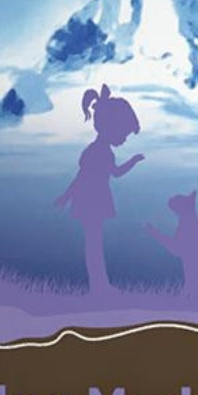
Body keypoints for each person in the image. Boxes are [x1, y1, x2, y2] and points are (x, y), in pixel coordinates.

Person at [55, 84, 144, 294]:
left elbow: (111, 173)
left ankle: (100, 284)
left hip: (93, 199)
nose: (124, 139)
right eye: (123, 133)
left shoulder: (101, 150)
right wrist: (67, 196)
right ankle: (99, 285)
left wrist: (133, 161)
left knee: (94, 242)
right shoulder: (98, 151)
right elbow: (85, 177)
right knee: (93, 243)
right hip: (91, 200)